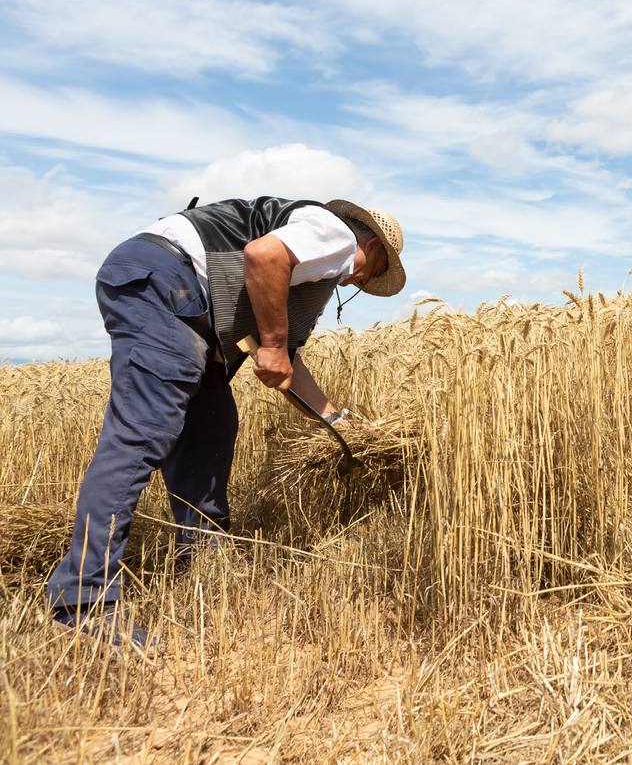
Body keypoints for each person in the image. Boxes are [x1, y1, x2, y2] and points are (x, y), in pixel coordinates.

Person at [46, 196, 407, 649]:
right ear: (372, 247)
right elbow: (263, 257)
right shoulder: (334, 234)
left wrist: (336, 420)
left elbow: (285, 363)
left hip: (178, 299)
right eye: (370, 274)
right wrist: (272, 344)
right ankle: (83, 599)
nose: (355, 281)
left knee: (211, 430)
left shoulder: (300, 254)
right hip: (167, 284)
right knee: (140, 438)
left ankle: (204, 566)